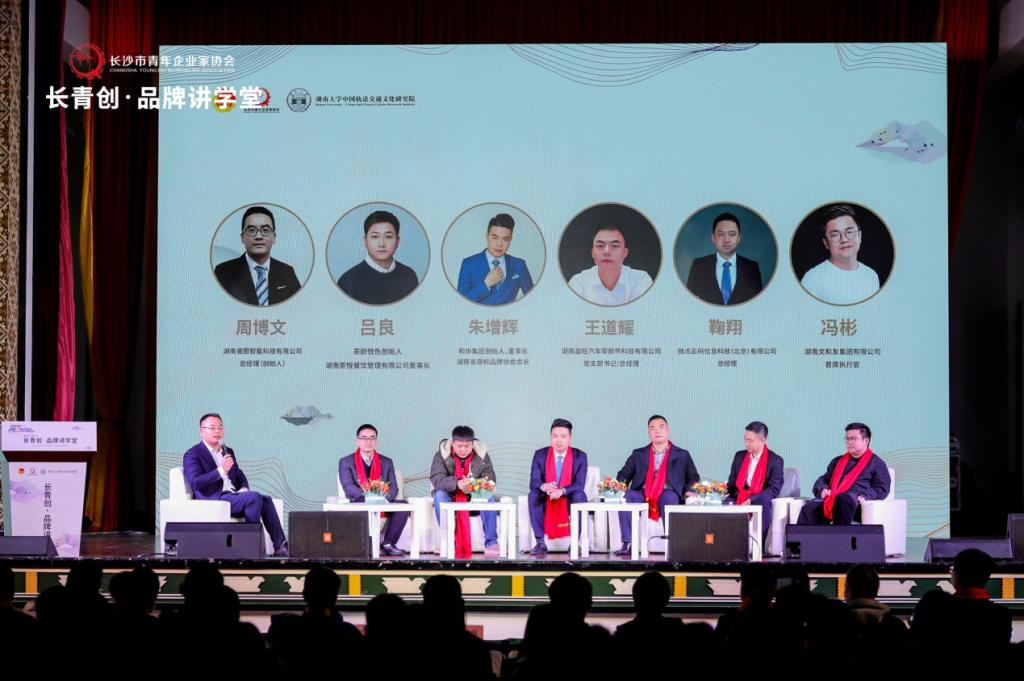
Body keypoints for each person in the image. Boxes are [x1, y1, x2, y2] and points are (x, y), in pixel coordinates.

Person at [182, 413, 288, 556]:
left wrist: (244, 487)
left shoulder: (227, 451)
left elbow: (238, 473)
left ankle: (281, 547)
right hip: (214, 498)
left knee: (266, 500)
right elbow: (196, 482)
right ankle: (251, 547)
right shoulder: (193, 454)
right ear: (202, 431)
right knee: (254, 498)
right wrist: (221, 470)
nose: (217, 431)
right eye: (212, 428)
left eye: (220, 427)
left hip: (233, 496)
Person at [613, 415, 700, 556]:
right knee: (627, 497)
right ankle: (628, 543)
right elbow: (624, 474)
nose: (657, 431)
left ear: (668, 430)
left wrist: (689, 490)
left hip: (667, 491)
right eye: (652, 428)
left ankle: (673, 543)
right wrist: (621, 484)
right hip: (642, 492)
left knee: (669, 499)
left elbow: (693, 477)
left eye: (661, 427)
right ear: (649, 432)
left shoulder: (682, 454)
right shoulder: (638, 454)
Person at [338, 423, 410, 556]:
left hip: (383, 501)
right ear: (357, 441)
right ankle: (369, 545)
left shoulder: (387, 462)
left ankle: (388, 544)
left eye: (372, 438)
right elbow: (348, 487)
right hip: (360, 500)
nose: (368, 441)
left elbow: (394, 487)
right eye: (364, 438)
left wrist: (383, 499)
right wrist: (370, 497)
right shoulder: (346, 461)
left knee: (404, 506)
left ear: (376, 441)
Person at [797, 422, 890, 525]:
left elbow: (882, 488)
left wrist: (866, 495)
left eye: (853, 439)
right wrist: (823, 489)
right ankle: (803, 536)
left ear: (866, 441)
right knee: (809, 507)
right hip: (832, 499)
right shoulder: (837, 461)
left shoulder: (877, 463)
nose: (849, 442)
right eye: (847, 439)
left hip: (855, 502)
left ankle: (839, 536)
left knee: (842, 499)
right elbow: (823, 479)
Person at [429, 425, 501, 558]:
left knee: (489, 497)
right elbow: (437, 478)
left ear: (472, 444)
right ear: (452, 443)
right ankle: (447, 541)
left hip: (474, 496)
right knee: (439, 495)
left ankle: (491, 542)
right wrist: (457, 484)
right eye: (459, 446)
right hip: (451, 496)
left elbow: (490, 477)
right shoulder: (441, 455)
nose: (463, 450)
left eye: (467, 446)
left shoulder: (482, 455)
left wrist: (475, 484)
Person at [215, 205, 302, 305]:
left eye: (265, 230)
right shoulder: (223, 272)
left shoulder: (287, 272)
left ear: (274, 237)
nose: (259, 236)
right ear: (242, 237)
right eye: (251, 230)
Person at [526, 418, 589, 555]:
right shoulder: (540, 455)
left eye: (563, 436)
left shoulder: (580, 456)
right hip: (547, 497)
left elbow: (579, 484)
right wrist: (545, 486)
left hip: (568, 497)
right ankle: (540, 542)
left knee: (579, 495)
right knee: (533, 495)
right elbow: (534, 482)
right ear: (551, 437)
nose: (558, 440)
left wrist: (562, 491)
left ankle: (574, 543)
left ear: (570, 438)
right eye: (555, 436)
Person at [800, 203, 880, 304]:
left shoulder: (871, 276)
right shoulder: (812, 279)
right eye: (835, 235)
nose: (844, 239)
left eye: (849, 232)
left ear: (859, 236)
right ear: (826, 243)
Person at [337, 210, 420, 304]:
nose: (381, 244)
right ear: (365, 241)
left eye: (388, 237)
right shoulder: (348, 280)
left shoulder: (409, 275)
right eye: (375, 237)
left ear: (397, 241)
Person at [725, 421, 784, 548]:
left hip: (759, 498)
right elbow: (732, 483)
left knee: (764, 501)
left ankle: (758, 547)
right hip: (740, 495)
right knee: (725, 502)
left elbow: (773, 489)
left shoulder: (775, 460)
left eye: (750, 441)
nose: (746, 444)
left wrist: (751, 499)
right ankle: (727, 546)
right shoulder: (739, 456)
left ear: (762, 440)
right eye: (745, 439)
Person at [686, 212, 764, 305]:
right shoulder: (699, 266)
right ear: (713, 238)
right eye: (721, 234)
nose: (726, 240)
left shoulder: (752, 268)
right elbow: (688, 302)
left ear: (739, 237)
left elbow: (758, 304)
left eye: (732, 234)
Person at [457, 212, 535, 304]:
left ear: (510, 240)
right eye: (495, 238)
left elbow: (532, 300)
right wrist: (486, 285)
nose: (499, 244)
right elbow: (460, 303)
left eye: (505, 239)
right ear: (487, 237)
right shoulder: (469, 264)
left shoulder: (519, 264)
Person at [568, 226, 653, 305]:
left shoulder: (640, 280)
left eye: (615, 246)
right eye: (600, 246)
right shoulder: (579, 282)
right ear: (592, 253)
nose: (607, 251)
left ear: (625, 253)